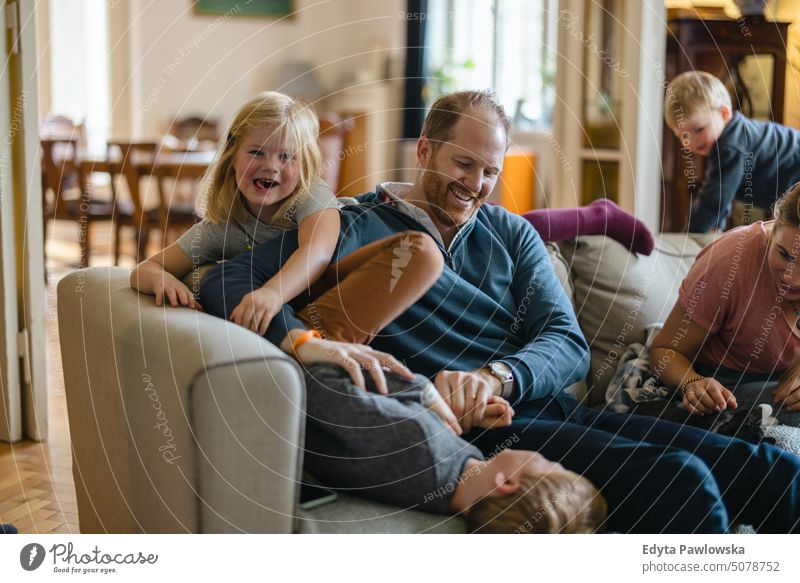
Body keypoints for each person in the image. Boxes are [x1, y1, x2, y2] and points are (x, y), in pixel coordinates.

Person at [201, 90, 800, 533]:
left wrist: (499, 374)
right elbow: (226, 278)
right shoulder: (349, 223)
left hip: (542, 406)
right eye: (464, 165)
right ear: (426, 150)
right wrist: (302, 338)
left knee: (764, 465)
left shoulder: (510, 235)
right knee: (681, 478)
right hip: (480, 433)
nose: (477, 185)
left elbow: (567, 340)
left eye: (492, 171)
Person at [131, 91, 342, 335]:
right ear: (233, 157)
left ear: (304, 164)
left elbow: (318, 251)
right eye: (257, 152)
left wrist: (273, 293)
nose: (271, 165)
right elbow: (144, 269)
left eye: (286, 156)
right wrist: (163, 279)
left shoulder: (311, 194)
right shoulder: (222, 227)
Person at [651, 182, 800, 427]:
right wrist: (692, 383)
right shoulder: (729, 262)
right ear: (775, 227)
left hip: (778, 381)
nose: (791, 278)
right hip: (720, 385)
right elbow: (664, 351)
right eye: (785, 254)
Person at [664, 71, 800, 233]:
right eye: (683, 136)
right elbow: (724, 191)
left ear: (724, 114)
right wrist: (716, 227)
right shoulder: (729, 138)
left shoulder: (730, 146)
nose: (691, 141)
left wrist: (690, 235)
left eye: (699, 129)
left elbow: (714, 199)